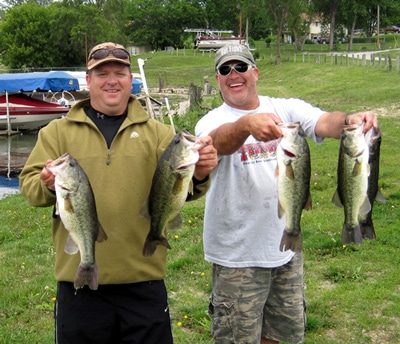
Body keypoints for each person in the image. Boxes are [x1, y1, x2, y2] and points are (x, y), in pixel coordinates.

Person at [19, 42, 218, 344]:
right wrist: (46, 183)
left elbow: (179, 191)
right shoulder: (56, 133)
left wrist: (201, 173)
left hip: (144, 282)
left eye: (120, 73)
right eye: (102, 74)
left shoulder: (159, 134)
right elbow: (30, 189)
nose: (112, 80)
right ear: (89, 81)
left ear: (130, 80)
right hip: (79, 284)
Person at [195, 44, 378, 344]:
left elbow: (324, 122)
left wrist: (351, 121)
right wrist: (245, 125)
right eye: (225, 70)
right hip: (237, 259)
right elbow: (215, 142)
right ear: (217, 80)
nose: (234, 75)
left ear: (255, 72)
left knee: (280, 337)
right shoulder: (212, 120)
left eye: (241, 67)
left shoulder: (285, 108)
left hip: (286, 255)